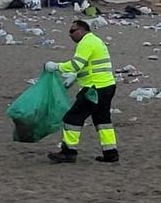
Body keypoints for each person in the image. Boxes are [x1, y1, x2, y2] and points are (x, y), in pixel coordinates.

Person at [45, 18, 119, 163]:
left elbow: (76, 64)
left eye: (72, 31)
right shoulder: (95, 40)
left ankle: (68, 152)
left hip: (94, 88)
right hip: (107, 86)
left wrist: (56, 66)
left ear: (81, 30)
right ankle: (111, 153)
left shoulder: (86, 42)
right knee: (103, 120)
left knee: (72, 118)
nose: (70, 35)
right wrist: (75, 77)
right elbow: (89, 65)